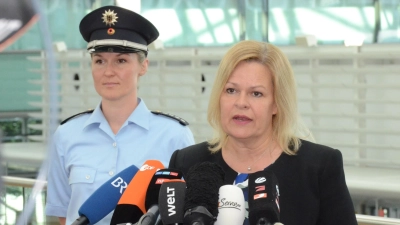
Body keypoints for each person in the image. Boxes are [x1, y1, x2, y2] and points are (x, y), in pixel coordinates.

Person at [168, 40, 357, 225]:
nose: (241, 103)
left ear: (276, 103)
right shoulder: (187, 162)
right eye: (231, 90)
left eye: (256, 93)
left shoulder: (319, 167)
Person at [45, 5, 195, 225]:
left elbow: (184, 210)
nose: (108, 71)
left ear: (143, 66)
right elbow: (63, 215)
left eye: (121, 60)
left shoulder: (175, 136)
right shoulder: (66, 135)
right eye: (99, 61)